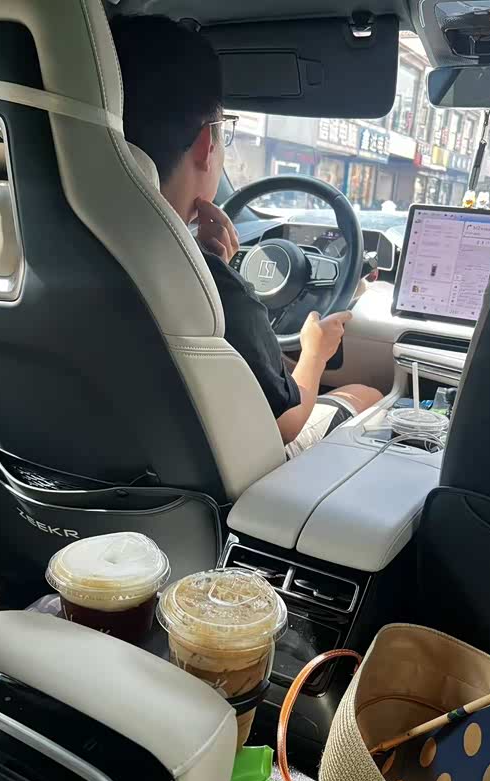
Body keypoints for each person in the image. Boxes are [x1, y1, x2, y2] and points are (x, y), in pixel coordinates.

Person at [111, 15, 383, 455]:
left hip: (112, 459)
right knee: (363, 394)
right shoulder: (212, 286)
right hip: (227, 472)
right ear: (206, 144)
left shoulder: (71, 244)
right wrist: (315, 352)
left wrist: (214, 263)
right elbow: (285, 424)